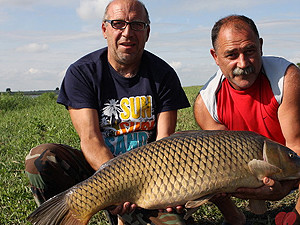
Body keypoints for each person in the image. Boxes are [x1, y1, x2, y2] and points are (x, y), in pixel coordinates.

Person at [25, 0, 191, 224]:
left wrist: (144, 188)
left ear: (147, 32)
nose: (127, 33)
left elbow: (164, 141)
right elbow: (91, 139)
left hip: (150, 177)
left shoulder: (163, 74)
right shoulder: (82, 73)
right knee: (41, 158)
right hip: (96, 170)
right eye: (118, 24)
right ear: (105, 29)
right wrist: (117, 185)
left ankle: (127, 215)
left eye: (137, 25)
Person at [194, 15, 300, 225]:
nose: (243, 63)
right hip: (243, 171)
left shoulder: (285, 78)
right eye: (231, 55)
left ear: (260, 46)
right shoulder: (206, 103)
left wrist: (284, 190)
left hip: (287, 159)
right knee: (210, 174)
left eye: (249, 51)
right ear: (215, 57)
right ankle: (235, 219)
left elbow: (296, 145)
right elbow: (220, 164)